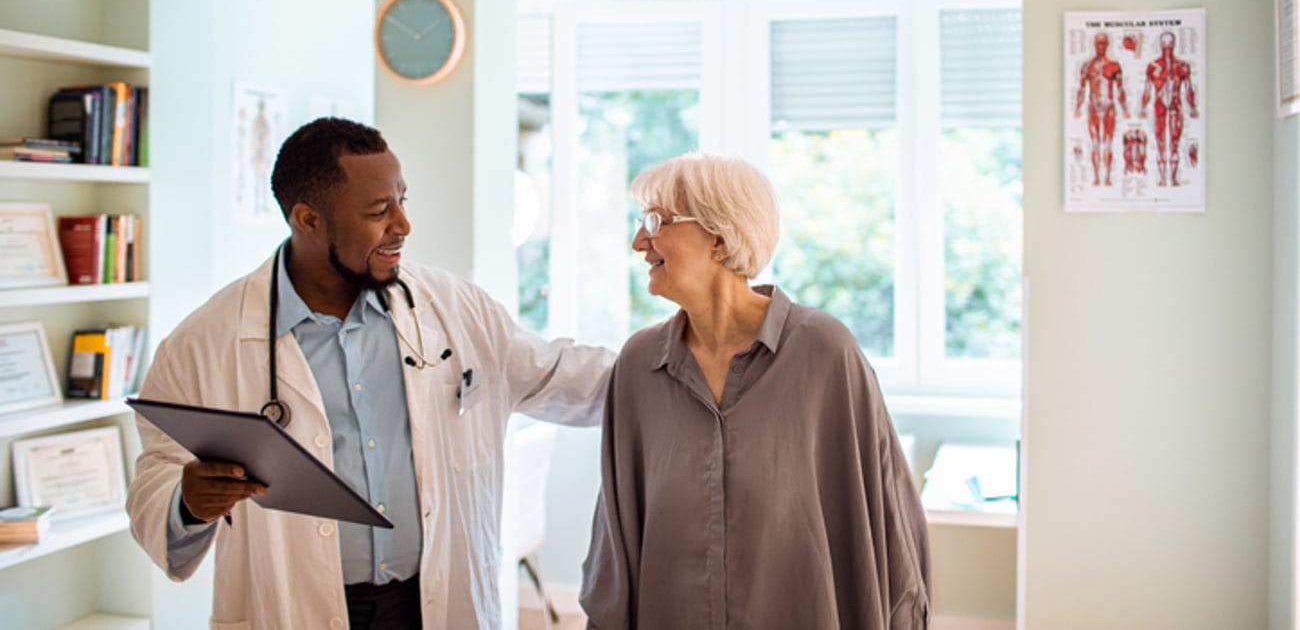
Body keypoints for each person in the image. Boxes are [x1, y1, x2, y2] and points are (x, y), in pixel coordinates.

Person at [126, 117, 613, 629]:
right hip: (298, 610)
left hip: (434, 602)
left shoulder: (452, 308)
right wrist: (188, 501)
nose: (402, 225)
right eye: (379, 211)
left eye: (403, 200)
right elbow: (155, 481)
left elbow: (561, 374)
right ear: (308, 220)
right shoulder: (204, 343)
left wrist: (683, 364)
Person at [579, 154, 930, 629]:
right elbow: (615, 549)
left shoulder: (825, 353)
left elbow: (889, 527)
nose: (639, 241)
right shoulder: (639, 366)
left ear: (720, 240)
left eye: (656, 221)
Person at [1140, 30, 1199, 187]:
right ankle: (1161, 179)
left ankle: (1172, 179)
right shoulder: (1153, 67)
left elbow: (1188, 89)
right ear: (1160, 44)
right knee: (1160, 142)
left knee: (1174, 143)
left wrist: (1192, 107)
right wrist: (1142, 107)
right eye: (1164, 43)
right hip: (1159, 105)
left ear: (1174, 44)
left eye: (1170, 43)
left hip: (1175, 104)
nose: (1167, 47)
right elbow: (1147, 89)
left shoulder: (1182, 66)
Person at [1074, 31, 1129, 186]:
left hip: (1109, 106)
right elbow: (1081, 89)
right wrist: (1077, 108)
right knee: (1095, 142)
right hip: (1093, 107)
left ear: (1107, 45)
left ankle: (1107, 178)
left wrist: (1124, 109)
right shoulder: (1087, 66)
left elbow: (1120, 89)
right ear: (1094, 44)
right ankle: (1097, 177)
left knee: (1107, 142)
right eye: (1098, 43)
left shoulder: (1114, 66)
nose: (1101, 46)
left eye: (1104, 43)